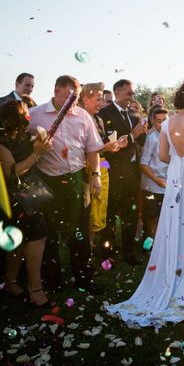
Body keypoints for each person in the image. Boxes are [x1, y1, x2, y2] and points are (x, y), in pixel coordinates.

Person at [106, 82, 184, 328]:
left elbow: (163, 157)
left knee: (172, 222)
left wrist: (177, 159)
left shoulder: (167, 124)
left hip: (174, 176)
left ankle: (168, 271)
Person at [28, 75, 103, 292]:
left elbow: (92, 149)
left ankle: (84, 278)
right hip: (47, 179)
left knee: (79, 229)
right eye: (71, 97)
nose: (74, 102)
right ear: (56, 90)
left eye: (77, 98)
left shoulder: (83, 116)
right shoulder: (36, 115)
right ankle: (51, 280)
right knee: (49, 232)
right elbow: (21, 145)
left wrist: (96, 175)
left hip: (77, 178)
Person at [0, 100, 53, 307]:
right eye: (21, 118)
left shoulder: (24, 136)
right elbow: (12, 172)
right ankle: (35, 288)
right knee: (37, 236)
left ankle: (11, 281)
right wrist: (37, 154)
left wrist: (39, 145)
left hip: (28, 196)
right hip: (9, 198)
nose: (26, 121)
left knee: (20, 240)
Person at [97, 79, 147, 264]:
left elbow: (139, 143)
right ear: (117, 93)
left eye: (132, 93)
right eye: (129, 93)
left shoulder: (133, 116)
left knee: (130, 215)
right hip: (113, 173)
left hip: (132, 174)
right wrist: (134, 134)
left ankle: (128, 252)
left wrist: (144, 133)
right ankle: (107, 251)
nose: (132, 97)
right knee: (110, 215)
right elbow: (114, 144)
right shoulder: (104, 115)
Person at [78, 83, 127, 254]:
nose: (102, 103)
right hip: (83, 172)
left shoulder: (98, 119)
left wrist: (114, 147)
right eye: (98, 99)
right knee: (86, 214)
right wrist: (105, 149)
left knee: (97, 214)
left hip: (101, 168)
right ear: (85, 100)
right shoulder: (78, 119)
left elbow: (100, 151)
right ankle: (85, 255)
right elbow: (86, 149)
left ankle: (90, 254)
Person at [140, 107, 169, 239]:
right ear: (153, 121)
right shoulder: (151, 138)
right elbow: (143, 163)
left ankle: (160, 243)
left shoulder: (171, 137)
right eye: (158, 121)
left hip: (167, 184)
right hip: (153, 184)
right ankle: (149, 245)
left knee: (163, 217)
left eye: (164, 120)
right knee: (151, 217)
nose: (162, 124)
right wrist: (157, 180)